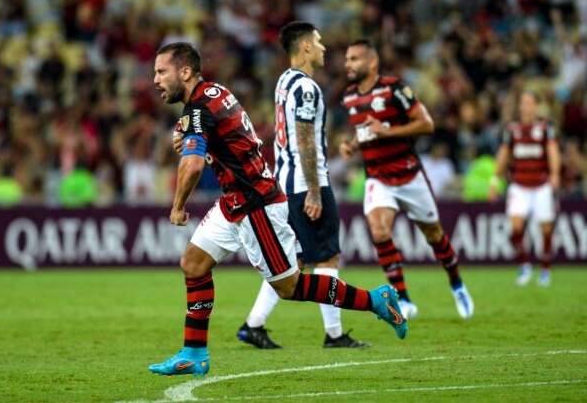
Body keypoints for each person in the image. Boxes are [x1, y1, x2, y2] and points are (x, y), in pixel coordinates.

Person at [148, 42, 407, 377]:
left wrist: (178, 205)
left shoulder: (197, 109)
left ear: (184, 72)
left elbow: (194, 164)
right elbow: (215, 135)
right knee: (194, 264)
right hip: (234, 201)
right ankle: (194, 352)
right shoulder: (213, 93)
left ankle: (375, 300)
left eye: (161, 71)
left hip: (256, 204)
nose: (155, 79)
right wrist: (189, 132)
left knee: (290, 287)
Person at [235, 21, 367, 350]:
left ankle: (253, 325)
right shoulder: (306, 88)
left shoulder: (284, 81)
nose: (324, 48)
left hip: (284, 182)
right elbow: (305, 141)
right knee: (327, 259)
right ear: (306, 46)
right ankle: (334, 335)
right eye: (319, 42)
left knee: (295, 262)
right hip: (306, 183)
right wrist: (313, 191)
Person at [339, 40, 474, 320]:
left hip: (409, 175)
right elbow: (366, 131)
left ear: (372, 62)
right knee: (378, 232)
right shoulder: (349, 97)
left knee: (435, 236)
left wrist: (386, 131)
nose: (347, 64)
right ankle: (404, 298)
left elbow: (426, 124)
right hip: (377, 178)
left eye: (354, 59)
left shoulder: (394, 89)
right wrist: (351, 145)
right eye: (347, 59)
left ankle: (457, 285)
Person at [488, 91, 561, 286]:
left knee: (546, 229)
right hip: (519, 185)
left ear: (536, 106)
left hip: (541, 185)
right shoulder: (512, 129)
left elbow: (552, 151)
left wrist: (555, 174)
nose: (525, 107)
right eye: (523, 103)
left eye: (529, 103)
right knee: (516, 228)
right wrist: (494, 180)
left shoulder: (545, 127)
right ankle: (524, 265)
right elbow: (503, 154)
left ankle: (545, 268)